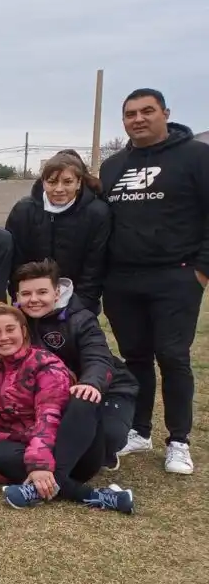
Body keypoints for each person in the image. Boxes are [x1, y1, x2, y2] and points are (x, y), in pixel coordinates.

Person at [101, 87, 209, 474]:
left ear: (166, 113)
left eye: (147, 111)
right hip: (122, 279)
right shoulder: (113, 167)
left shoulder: (196, 156)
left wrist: (201, 270)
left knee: (173, 356)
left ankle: (178, 440)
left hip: (176, 275)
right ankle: (139, 429)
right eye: (130, 114)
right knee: (135, 357)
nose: (139, 119)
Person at [0, 304, 134, 512]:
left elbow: (48, 416)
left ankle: (47, 484)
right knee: (1, 454)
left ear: (23, 331)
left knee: (83, 399)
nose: (4, 337)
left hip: (72, 449)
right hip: (25, 446)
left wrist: (40, 466)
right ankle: (95, 495)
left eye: (10, 329)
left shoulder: (45, 363)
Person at [14, 260, 139, 476]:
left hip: (104, 389)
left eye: (42, 292)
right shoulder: (15, 320)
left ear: (56, 293)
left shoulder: (81, 319)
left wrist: (90, 382)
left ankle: (101, 451)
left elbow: (98, 357)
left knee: (109, 436)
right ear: (17, 296)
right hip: (53, 392)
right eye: (26, 294)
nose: (33, 299)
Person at [4, 150, 110, 313]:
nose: (59, 189)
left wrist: (79, 308)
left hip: (78, 305)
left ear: (79, 182)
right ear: (43, 182)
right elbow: (16, 263)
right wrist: (23, 299)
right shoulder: (23, 211)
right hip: (32, 303)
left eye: (67, 182)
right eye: (52, 182)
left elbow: (94, 268)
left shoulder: (97, 213)